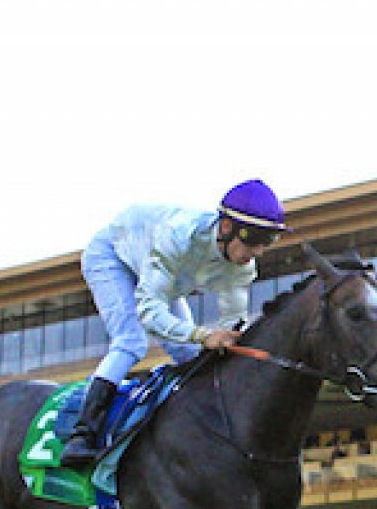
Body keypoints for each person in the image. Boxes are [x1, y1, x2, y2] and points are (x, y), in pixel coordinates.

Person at [57, 180, 289, 467]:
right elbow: (150, 313)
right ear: (226, 227)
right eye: (254, 239)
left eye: (268, 241)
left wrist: (227, 339)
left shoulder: (241, 267)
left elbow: (232, 323)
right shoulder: (179, 236)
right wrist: (203, 335)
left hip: (163, 277)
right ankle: (82, 434)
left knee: (190, 357)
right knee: (131, 342)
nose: (259, 251)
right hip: (112, 258)